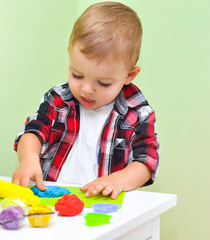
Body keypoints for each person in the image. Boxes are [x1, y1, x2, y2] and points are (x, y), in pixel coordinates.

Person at [12, 1, 159, 199]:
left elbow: (146, 161)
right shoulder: (58, 100)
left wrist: (118, 180)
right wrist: (28, 158)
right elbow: (33, 131)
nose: (86, 89)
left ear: (129, 76)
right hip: (52, 201)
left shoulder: (138, 112)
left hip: (104, 208)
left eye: (104, 83)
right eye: (77, 75)